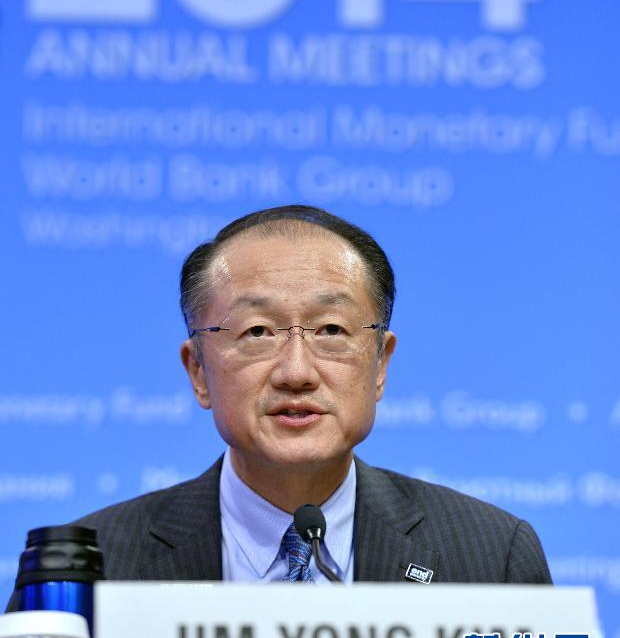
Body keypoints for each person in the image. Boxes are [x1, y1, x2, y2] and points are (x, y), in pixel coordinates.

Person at [76, 204, 551, 584]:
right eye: (258, 332)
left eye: (331, 329)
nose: (297, 372)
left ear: (380, 364)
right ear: (198, 370)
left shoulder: (493, 558)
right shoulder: (94, 566)